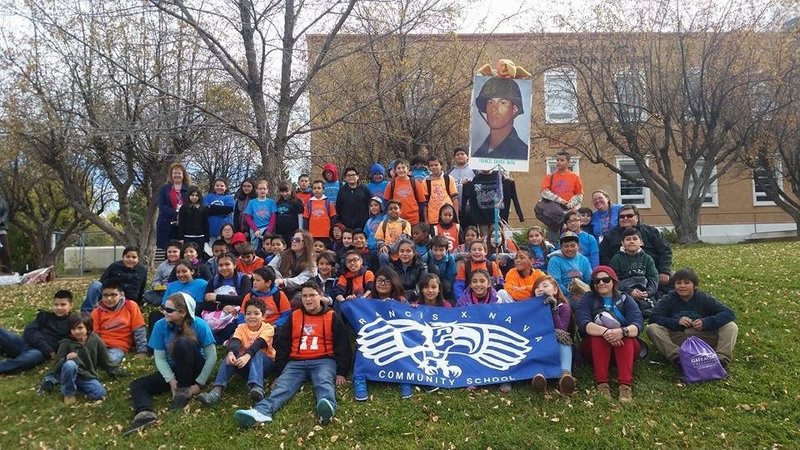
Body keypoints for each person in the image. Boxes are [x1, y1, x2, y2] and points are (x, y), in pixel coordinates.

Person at [233, 281, 351, 427]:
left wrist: (341, 372)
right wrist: (279, 373)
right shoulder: (295, 316)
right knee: (283, 386)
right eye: (304, 296)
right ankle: (261, 412)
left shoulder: (332, 316)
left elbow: (343, 345)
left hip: (323, 360)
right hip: (296, 361)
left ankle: (327, 408)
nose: (308, 299)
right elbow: (283, 344)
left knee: (324, 381)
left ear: (321, 296)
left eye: (312, 295)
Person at [125, 293, 217, 435]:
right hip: (175, 369)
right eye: (164, 308)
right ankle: (145, 414)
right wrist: (171, 380)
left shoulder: (199, 324)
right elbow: (160, 358)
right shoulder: (160, 325)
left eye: (169, 310)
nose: (164, 312)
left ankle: (183, 392)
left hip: (195, 367)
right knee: (137, 385)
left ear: (183, 312)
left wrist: (199, 384)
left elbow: (212, 357)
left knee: (183, 343)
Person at [575, 266, 643, 402]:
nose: (601, 283)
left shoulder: (625, 298)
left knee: (627, 338)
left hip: (625, 348)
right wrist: (607, 332)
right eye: (597, 281)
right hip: (594, 349)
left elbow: (638, 325)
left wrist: (622, 332)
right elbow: (583, 323)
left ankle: (625, 386)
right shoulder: (587, 299)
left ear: (613, 281)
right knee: (598, 336)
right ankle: (602, 384)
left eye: (605, 280)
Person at [647, 268, 738, 368]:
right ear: (674, 285)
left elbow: (729, 313)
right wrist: (676, 322)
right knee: (652, 328)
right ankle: (678, 358)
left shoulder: (703, 298)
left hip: (703, 337)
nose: (682, 286)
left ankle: (721, 359)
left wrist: (705, 323)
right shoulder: (669, 298)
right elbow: (653, 317)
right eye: (678, 283)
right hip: (679, 337)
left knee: (731, 326)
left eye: (686, 283)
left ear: (695, 285)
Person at [197, 297, 275, 406]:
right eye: (248, 313)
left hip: (264, 365)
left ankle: (257, 388)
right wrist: (231, 353)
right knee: (231, 356)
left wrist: (247, 356)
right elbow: (235, 341)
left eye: (256, 313)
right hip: (244, 363)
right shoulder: (241, 327)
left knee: (257, 353)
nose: (252, 316)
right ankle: (216, 391)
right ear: (244, 316)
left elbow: (259, 344)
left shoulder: (268, 328)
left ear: (264, 316)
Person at [599, 204, 673, 294]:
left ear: (637, 218)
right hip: (623, 276)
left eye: (629, 216)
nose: (625, 218)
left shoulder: (650, 231)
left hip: (652, 271)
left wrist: (664, 271)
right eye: (622, 216)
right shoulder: (610, 236)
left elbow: (665, 251)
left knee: (678, 279)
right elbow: (604, 256)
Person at [1, 290, 72, 374]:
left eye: (63, 305)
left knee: (29, 359)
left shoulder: (72, 323)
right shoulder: (44, 316)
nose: (59, 308)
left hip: (38, 352)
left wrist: (49, 351)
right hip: (24, 343)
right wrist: (46, 347)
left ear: (71, 306)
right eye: (56, 304)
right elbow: (30, 330)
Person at [52, 312, 116, 404]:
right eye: (73, 329)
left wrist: (114, 370)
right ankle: (68, 393)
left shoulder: (95, 338)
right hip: (70, 372)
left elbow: (105, 358)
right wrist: (66, 359)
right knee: (70, 364)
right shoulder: (66, 343)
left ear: (88, 327)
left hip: (86, 375)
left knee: (100, 393)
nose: (77, 331)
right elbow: (56, 367)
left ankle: (77, 387)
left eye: (80, 328)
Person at [530, 275, 576, 396]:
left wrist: (553, 310)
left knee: (564, 339)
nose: (540, 289)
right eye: (537, 287)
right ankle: (539, 376)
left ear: (555, 290)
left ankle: (565, 375)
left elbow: (562, 330)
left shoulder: (563, 307)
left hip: (559, 345)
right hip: (540, 344)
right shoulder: (529, 309)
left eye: (545, 286)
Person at [90, 279, 147, 365]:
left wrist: (142, 351)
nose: (109, 299)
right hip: (101, 346)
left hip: (119, 346)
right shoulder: (96, 312)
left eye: (113, 295)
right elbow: (94, 335)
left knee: (111, 359)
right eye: (105, 295)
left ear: (121, 295)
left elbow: (139, 329)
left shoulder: (131, 306)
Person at [471, 77, 529, 160]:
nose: (494, 108)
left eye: (502, 103)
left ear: (514, 109)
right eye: (490, 102)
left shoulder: (522, 154)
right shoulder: (477, 155)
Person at [200, 253, 251, 343]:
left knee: (230, 328)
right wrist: (222, 306)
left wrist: (217, 297)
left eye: (227, 264)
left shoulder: (243, 278)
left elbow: (243, 299)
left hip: (236, 313)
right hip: (216, 313)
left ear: (234, 265)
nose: (224, 268)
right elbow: (205, 303)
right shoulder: (213, 281)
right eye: (220, 265)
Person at [80, 246, 148, 312]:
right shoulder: (115, 266)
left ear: (138, 259)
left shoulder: (143, 270)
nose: (130, 259)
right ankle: (86, 312)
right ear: (123, 257)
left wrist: (139, 304)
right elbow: (102, 281)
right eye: (128, 257)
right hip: (111, 294)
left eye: (134, 257)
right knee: (96, 285)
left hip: (129, 299)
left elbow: (142, 288)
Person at [609, 228, 659, 317]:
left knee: (654, 309)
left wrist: (649, 292)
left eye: (635, 239)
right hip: (626, 292)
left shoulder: (647, 259)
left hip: (644, 291)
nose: (631, 242)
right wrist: (630, 291)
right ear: (622, 243)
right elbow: (614, 280)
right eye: (628, 239)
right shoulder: (616, 259)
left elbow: (653, 277)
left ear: (641, 242)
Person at [540, 150, 584, 242]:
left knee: (571, 237)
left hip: (569, 213)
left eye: (562, 160)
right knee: (554, 239)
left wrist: (571, 204)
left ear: (568, 162)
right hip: (554, 213)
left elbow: (579, 194)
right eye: (557, 160)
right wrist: (560, 200)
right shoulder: (550, 177)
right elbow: (545, 192)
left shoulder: (575, 177)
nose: (559, 162)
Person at [269, 229, 318, 303]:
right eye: (293, 239)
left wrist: (283, 281)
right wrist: (278, 277)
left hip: (299, 291)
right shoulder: (282, 254)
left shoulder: (311, 261)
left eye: (297, 240)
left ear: (306, 243)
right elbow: (269, 267)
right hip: (279, 287)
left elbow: (302, 279)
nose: (294, 241)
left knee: (299, 299)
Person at [547, 231, 592, 300]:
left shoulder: (583, 259)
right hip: (563, 296)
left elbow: (589, 279)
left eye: (573, 246)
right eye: (566, 246)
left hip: (583, 293)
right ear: (561, 247)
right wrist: (570, 294)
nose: (570, 249)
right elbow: (555, 282)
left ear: (578, 246)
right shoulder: (554, 260)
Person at [156, 162, 191, 250]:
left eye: (179, 173)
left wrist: (182, 215)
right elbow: (162, 205)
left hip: (184, 225)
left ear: (183, 175)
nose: (177, 175)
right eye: (175, 173)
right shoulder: (164, 189)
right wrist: (176, 214)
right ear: (171, 175)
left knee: (183, 250)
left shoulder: (189, 189)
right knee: (168, 250)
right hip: (167, 224)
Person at [383, 159, 428, 225]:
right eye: (398, 168)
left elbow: (422, 202)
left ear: (408, 169)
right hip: (397, 220)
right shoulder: (391, 184)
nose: (401, 170)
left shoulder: (415, 183)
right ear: (395, 170)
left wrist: (420, 217)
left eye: (403, 167)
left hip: (413, 220)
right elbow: (386, 202)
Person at [142, 240, 182, 306]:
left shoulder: (185, 264)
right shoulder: (163, 265)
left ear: (181, 252)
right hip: (164, 292)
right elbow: (156, 280)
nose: (172, 254)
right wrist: (158, 286)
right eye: (169, 252)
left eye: (175, 252)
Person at [425, 155, 459, 225]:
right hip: (433, 218)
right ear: (428, 167)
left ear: (441, 165)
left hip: (448, 217)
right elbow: (425, 202)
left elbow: (455, 199)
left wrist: (456, 216)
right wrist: (426, 219)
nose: (434, 167)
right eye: (431, 165)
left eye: (436, 165)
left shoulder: (448, 179)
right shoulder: (426, 181)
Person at [244, 179, 277, 249]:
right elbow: (248, 218)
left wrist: (268, 232)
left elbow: (273, 218)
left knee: (268, 249)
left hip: (267, 229)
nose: (262, 190)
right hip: (256, 231)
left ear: (267, 190)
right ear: (256, 190)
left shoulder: (271, 202)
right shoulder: (252, 202)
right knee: (257, 250)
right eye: (260, 189)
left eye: (264, 189)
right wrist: (255, 230)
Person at [422, 236, 457, 302]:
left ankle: (445, 300)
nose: (438, 253)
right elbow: (421, 274)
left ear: (446, 250)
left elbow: (451, 276)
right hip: (429, 279)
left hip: (443, 280)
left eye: (441, 250)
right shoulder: (426, 257)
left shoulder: (450, 259)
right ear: (431, 249)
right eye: (435, 250)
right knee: (434, 268)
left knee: (448, 286)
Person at [304, 180, 337, 244]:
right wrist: (306, 233)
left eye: (319, 188)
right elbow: (306, 219)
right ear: (312, 190)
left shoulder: (328, 203)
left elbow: (333, 217)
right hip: (312, 235)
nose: (316, 190)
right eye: (314, 188)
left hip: (326, 235)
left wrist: (331, 232)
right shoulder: (309, 204)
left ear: (323, 190)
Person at [177, 185, 208, 250]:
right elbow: (181, 223)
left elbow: (206, 223)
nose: (194, 197)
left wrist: (206, 239)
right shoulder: (184, 208)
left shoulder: (203, 208)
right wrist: (181, 238)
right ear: (188, 196)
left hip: (200, 237)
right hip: (187, 237)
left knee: (199, 253)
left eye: (196, 195)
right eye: (192, 195)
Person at [205, 178, 235, 243]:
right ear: (214, 187)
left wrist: (212, 207)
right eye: (217, 185)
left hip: (225, 230)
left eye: (222, 186)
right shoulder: (208, 197)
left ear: (226, 187)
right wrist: (221, 209)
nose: (219, 187)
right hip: (211, 229)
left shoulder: (229, 197)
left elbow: (228, 210)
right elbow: (206, 210)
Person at [0, 194, 10, 274]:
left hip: (1, 229)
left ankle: (7, 271)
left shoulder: (2, 202)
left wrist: (1, 221)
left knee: (5, 252)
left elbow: (6, 212)